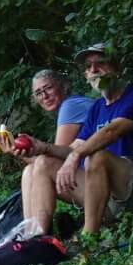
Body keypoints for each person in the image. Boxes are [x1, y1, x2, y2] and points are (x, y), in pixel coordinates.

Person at [21, 43, 133, 247]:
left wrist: (75, 156)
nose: (93, 70)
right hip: (110, 197)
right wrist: (43, 148)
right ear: (85, 75)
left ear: (117, 67)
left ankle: (88, 240)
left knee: (97, 156)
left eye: (100, 63)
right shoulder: (97, 108)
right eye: (88, 67)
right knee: (43, 163)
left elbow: (112, 131)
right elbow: (73, 148)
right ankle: (34, 240)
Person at [11, 70, 93, 205]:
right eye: (38, 93)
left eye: (48, 88)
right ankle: (32, 220)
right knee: (29, 171)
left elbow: (54, 161)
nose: (44, 96)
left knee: (39, 166)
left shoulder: (70, 106)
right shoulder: (71, 105)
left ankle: (36, 220)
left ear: (63, 86)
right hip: (89, 176)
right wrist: (15, 150)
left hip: (101, 180)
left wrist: (17, 151)